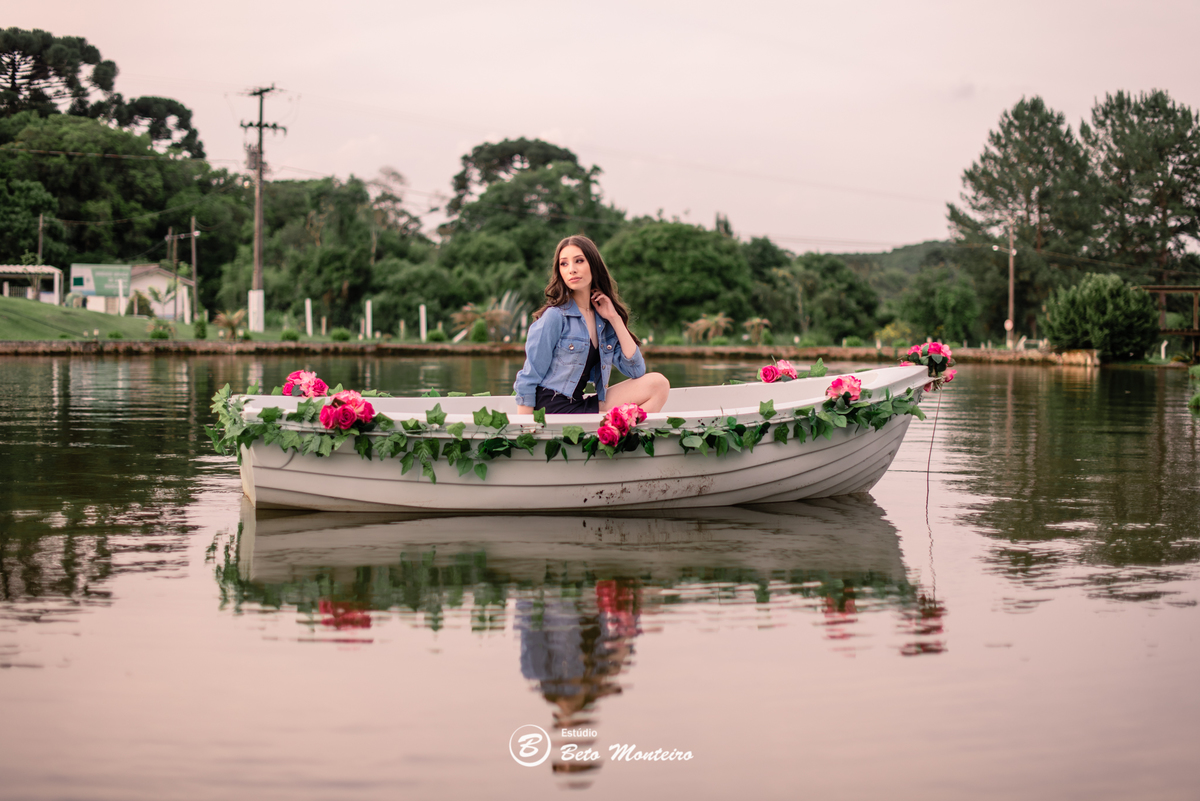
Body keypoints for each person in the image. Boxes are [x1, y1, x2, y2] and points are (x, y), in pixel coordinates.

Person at [514, 235, 670, 415]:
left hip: (579, 405)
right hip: (551, 409)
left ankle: (615, 433)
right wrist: (525, 429)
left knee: (658, 385)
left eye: (579, 261)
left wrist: (614, 318)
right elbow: (529, 375)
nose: (571, 269)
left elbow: (636, 370)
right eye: (564, 264)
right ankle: (616, 435)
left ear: (593, 266)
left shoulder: (602, 321)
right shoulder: (555, 316)